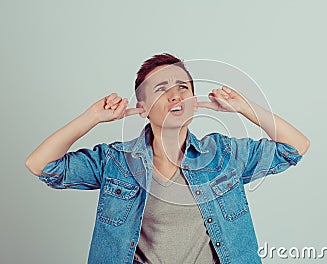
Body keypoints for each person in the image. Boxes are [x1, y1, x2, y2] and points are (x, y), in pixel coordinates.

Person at [25, 53, 310, 264]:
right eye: (161, 89)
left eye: (182, 88)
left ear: (194, 102)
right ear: (143, 108)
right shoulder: (116, 161)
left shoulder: (223, 155)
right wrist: (93, 117)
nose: (175, 96)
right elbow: (41, 165)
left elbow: (294, 147)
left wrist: (245, 108)